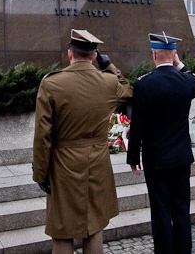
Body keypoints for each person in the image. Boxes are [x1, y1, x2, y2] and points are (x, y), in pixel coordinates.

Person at [32, 29, 133, 254]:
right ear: (95, 56)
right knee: (94, 227)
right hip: (97, 161)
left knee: (62, 229)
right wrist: (110, 67)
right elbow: (128, 91)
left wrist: (40, 173)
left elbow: (42, 136)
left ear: (70, 53)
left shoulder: (52, 84)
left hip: (63, 163)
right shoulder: (109, 82)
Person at [126, 32, 195, 253]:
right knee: (181, 210)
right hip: (181, 157)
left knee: (161, 211)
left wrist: (133, 157)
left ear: (154, 54)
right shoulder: (187, 82)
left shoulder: (144, 84)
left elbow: (138, 125)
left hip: (156, 158)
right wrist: (180, 65)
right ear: (174, 55)